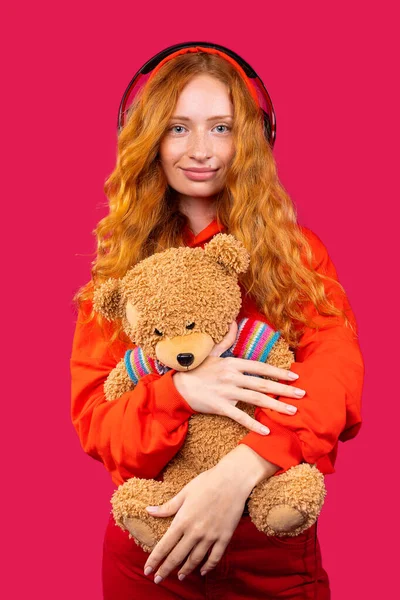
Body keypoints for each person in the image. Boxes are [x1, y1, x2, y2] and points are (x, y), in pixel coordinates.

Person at [70, 47, 364, 599]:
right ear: (148, 138)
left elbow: (338, 380)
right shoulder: (119, 272)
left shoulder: (296, 255)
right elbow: (97, 422)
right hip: (153, 552)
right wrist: (180, 391)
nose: (200, 150)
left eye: (221, 127)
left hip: (273, 554)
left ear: (252, 138)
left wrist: (244, 470)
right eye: (178, 127)